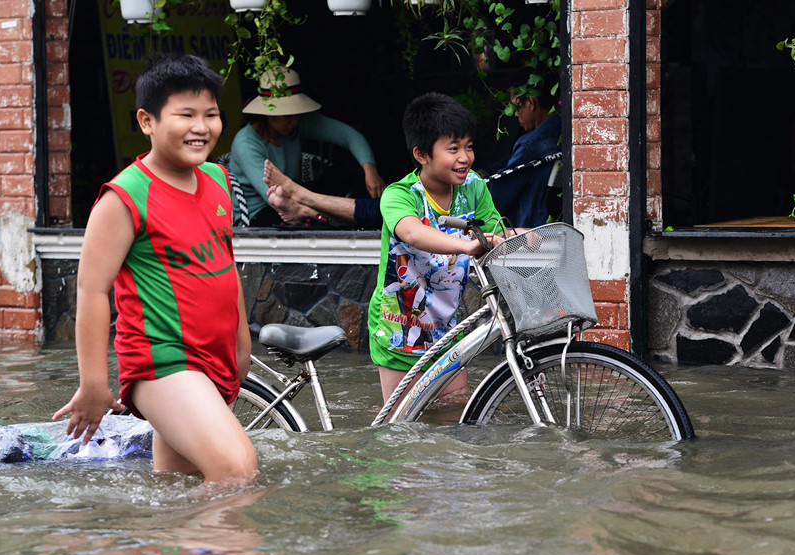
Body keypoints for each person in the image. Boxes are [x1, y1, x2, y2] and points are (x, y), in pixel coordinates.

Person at [52, 54, 257, 486]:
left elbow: (224, 265)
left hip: (215, 358)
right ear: (147, 121)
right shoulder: (124, 197)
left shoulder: (218, 180)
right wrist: (93, 384)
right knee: (236, 471)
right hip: (163, 361)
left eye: (212, 115)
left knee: (177, 486)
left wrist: (242, 346)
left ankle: (167, 551)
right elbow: (91, 290)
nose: (201, 127)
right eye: (186, 114)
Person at [367, 92, 514, 404]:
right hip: (399, 326)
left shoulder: (473, 186)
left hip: (446, 324)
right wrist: (467, 246)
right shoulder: (400, 195)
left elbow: (492, 228)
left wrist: (526, 238)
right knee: (403, 425)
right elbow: (413, 232)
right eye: (453, 149)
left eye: (469, 146)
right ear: (422, 154)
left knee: (454, 411)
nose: (465, 157)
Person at [228, 66, 385, 228]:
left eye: (297, 113)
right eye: (288, 115)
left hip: (297, 193)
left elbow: (348, 135)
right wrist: (322, 210)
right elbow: (273, 197)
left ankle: (365, 219)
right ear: (268, 114)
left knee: (350, 167)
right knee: (316, 225)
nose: (295, 120)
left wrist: (370, 171)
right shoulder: (245, 143)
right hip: (262, 212)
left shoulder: (296, 124)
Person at [484, 89, 562, 227]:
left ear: (531, 103)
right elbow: (514, 162)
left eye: (516, 106)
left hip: (528, 227)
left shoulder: (531, 145)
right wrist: (487, 171)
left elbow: (498, 199)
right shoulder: (565, 130)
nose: (515, 113)